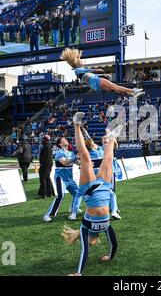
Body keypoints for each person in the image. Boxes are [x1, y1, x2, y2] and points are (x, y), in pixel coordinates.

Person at [61, 113, 121, 276]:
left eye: (90, 241)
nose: (91, 242)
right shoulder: (106, 226)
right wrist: (109, 257)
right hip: (104, 188)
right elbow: (114, 245)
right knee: (108, 159)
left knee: (85, 158)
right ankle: (111, 137)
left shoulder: (84, 227)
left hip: (88, 191)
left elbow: (84, 252)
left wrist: (78, 273)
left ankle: (76, 124)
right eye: (92, 242)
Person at [60, 48, 144, 98]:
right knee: (116, 87)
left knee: (115, 89)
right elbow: (87, 71)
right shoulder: (77, 70)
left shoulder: (82, 73)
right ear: (76, 62)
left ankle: (131, 94)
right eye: (80, 60)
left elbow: (92, 75)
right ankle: (134, 90)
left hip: (96, 84)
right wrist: (95, 70)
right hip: (97, 82)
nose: (82, 61)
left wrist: (103, 75)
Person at [83, 129, 122, 220]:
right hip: (101, 174)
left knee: (111, 191)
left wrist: (111, 135)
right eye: (103, 138)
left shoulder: (110, 147)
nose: (105, 139)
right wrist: (86, 134)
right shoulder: (100, 149)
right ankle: (112, 209)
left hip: (110, 173)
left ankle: (113, 209)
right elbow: (91, 143)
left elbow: (115, 145)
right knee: (108, 191)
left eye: (106, 138)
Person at [44, 137, 83, 222]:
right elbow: (65, 162)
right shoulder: (59, 153)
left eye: (66, 139)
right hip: (61, 178)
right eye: (64, 140)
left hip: (70, 179)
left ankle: (73, 208)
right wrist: (76, 156)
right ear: (60, 144)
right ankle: (48, 215)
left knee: (77, 193)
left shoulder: (71, 153)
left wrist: (86, 161)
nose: (66, 141)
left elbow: (79, 163)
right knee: (60, 196)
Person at [37, 135, 54, 199]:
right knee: (47, 178)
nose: (42, 141)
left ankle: (44, 194)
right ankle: (49, 193)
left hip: (45, 165)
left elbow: (45, 157)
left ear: (45, 140)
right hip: (48, 164)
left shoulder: (45, 147)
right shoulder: (49, 146)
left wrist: (42, 164)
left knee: (43, 179)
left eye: (43, 139)